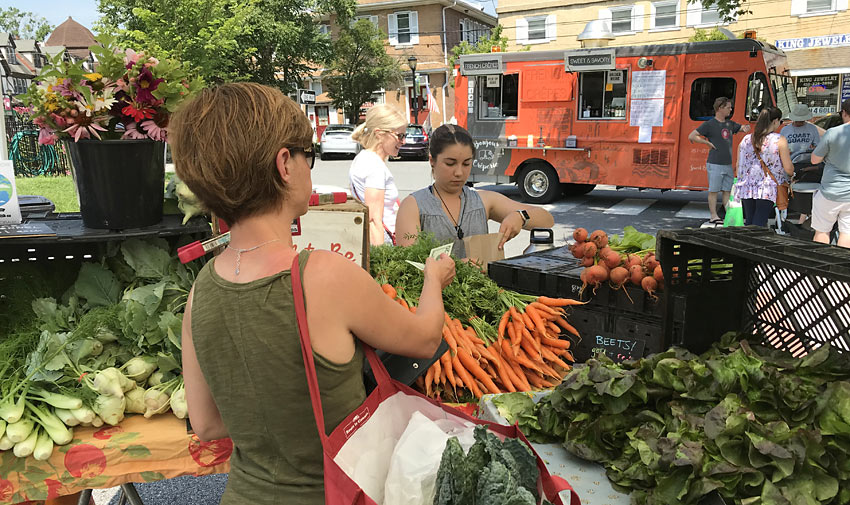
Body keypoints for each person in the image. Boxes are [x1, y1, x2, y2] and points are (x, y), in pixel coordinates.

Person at [170, 83, 456, 505]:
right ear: (284, 163)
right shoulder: (322, 275)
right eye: (310, 154)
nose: (311, 166)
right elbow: (425, 338)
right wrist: (434, 279)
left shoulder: (201, 291)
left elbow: (208, 424)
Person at [395, 124, 554, 257]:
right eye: (450, 163)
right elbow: (409, 266)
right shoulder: (413, 206)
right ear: (432, 161)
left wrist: (520, 217)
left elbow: (547, 219)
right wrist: (454, 269)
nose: (459, 172)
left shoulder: (483, 201)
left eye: (466, 164)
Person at [349, 104, 408, 245]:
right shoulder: (374, 165)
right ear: (379, 134)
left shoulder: (365, 158)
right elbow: (374, 220)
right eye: (399, 136)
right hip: (384, 239)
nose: (403, 141)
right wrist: (382, 261)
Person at [688, 97, 752, 225]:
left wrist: (746, 127)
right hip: (715, 163)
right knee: (713, 190)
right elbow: (692, 136)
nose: (730, 109)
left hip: (727, 164)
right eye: (728, 107)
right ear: (720, 108)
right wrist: (706, 142)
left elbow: (742, 128)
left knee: (727, 191)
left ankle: (729, 215)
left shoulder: (730, 124)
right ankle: (713, 215)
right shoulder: (709, 124)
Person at [732, 107, 794, 227]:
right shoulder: (779, 140)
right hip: (767, 187)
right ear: (775, 121)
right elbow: (788, 168)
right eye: (780, 122)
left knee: (750, 220)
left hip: (746, 186)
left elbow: (738, 164)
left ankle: (745, 242)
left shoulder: (746, 139)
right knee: (759, 221)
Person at [810, 98, 850, 247]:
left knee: (822, 231)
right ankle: (841, 268)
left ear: (844, 113)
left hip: (830, 191)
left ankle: (819, 268)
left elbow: (815, 160)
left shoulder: (833, 133)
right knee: (847, 233)